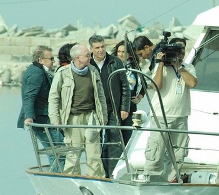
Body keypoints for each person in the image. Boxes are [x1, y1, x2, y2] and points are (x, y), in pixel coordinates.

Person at [48, 44, 108, 177]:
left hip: (91, 117)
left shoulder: (93, 71)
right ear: (77, 58)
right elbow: (53, 97)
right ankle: (72, 180)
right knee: (73, 154)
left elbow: (101, 95)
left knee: (94, 154)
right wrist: (55, 120)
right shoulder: (63, 73)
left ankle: (96, 180)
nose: (90, 57)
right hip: (72, 118)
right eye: (87, 55)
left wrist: (103, 116)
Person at [146, 37, 197, 182]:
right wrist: (161, 64)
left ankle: (171, 181)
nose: (179, 54)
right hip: (161, 116)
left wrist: (179, 66)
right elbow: (156, 86)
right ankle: (151, 181)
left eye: (182, 51)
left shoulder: (188, 67)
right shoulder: (160, 66)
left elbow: (192, 83)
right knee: (156, 151)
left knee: (178, 154)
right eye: (176, 51)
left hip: (181, 116)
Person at [88, 35, 131, 177]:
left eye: (103, 47)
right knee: (94, 141)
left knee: (115, 142)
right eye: (97, 48)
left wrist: (125, 107)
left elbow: (125, 86)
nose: (101, 50)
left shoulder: (115, 62)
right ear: (91, 49)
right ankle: (98, 173)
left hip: (114, 108)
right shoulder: (88, 63)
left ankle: (112, 173)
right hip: (94, 109)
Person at [17, 45, 64, 172]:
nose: (54, 61)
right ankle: (58, 178)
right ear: (40, 60)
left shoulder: (39, 71)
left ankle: (56, 176)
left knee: (55, 151)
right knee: (59, 151)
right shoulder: (36, 73)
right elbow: (29, 96)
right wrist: (29, 116)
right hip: (41, 119)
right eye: (51, 58)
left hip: (44, 118)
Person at [112, 40, 146, 144]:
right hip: (115, 104)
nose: (120, 54)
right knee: (113, 136)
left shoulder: (134, 67)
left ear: (129, 54)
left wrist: (139, 97)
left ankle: (124, 157)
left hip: (130, 105)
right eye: (119, 51)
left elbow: (144, 84)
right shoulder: (112, 65)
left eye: (123, 52)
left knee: (127, 135)